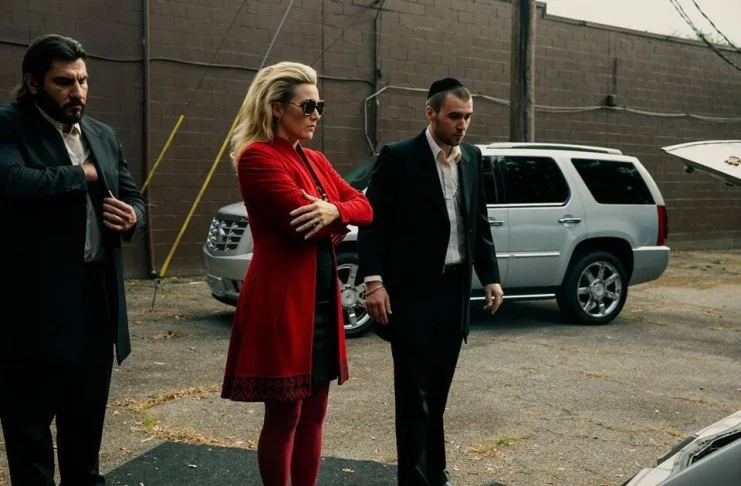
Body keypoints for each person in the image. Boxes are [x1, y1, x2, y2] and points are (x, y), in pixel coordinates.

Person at [0, 34, 146, 485]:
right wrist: (79, 174)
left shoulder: (102, 134)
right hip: (30, 307)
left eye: (83, 80)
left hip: (94, 299)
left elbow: (134, 195)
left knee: (85, 426)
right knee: (30, 435)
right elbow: (10, 180)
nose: (77, 91)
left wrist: (132, 218)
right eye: (63, 82)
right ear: (33, 82)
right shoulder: (8, 124)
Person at [220, 61, 373, 486]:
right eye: (307, 106)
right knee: (285, 412)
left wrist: (335, 211)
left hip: (321, 299)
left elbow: (365, 206)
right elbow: (301, 223)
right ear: (276, 108)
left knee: (316, 410)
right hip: (284, 299)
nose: (316, 114)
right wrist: (337, 215)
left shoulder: (315, 159)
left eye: (319, 105)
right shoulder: (257, 157)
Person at [358, 77, 504, 486]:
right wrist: (374, 282)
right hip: (412, 293)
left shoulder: (471, 157)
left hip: (455, 292)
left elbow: (478, 221)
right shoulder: (399, 157)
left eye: (468, 117)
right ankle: (414, 479)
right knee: (413, 394)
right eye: (455, 116)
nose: (462, 124)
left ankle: (435, 473)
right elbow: (372, 223)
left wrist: (490, 278)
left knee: (438, 391)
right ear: (431, 113)